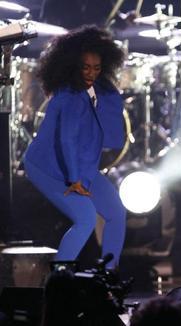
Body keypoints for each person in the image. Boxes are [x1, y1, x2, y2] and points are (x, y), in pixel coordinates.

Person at [24, 26, 126, 269]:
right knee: (86, 219)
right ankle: (58, 283)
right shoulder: (68, 96)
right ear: (72, 65)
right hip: (49, 167)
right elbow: (67, 140)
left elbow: (109, 133)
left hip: (81, 165)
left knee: (116, 213)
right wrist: (74, 180)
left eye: (97, 68)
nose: (91, 73)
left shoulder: (100, 90)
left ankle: (107, 279)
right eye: (85, 67)